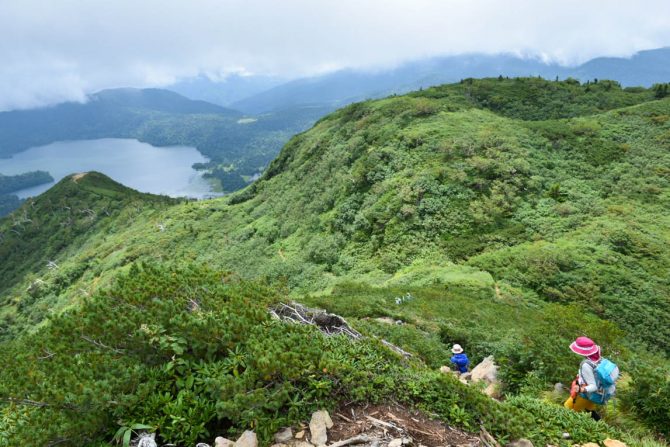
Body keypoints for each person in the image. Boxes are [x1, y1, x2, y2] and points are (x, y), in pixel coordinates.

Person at [564, 336, 604, 420]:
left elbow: (593, 386)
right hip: (594, 394)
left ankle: (567, 432)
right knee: (589, 411)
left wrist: (582, 389)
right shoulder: (598, 359)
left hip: (586, 393)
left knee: (567, 409)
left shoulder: (586, 365)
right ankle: (602, 428)